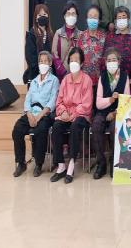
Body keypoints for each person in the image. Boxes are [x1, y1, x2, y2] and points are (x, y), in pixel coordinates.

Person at [50, 47, 93, 184]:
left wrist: (72, 114)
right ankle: (61, 165)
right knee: (56, 127)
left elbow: (86, 104)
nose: (73, 62)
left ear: (81, 63)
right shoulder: (65, 79)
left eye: (76, 60)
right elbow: (59, 101)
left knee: (75, 126)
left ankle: (72, 164)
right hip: (65, 114)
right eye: (71, 60)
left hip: (81, 115)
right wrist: (63, 112)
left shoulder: (87, 80)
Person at [12, 51, 58, 177]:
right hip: (31, 113)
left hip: (44, 114)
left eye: (45, 61)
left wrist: (38, 117)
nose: (43, 64)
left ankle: (38, 163)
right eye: (40, 61)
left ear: (50, 63)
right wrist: (29, 114)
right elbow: (27, 99)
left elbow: (52, 101)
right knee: (17, 130)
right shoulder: (34, 81)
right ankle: (21, 163)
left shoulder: (54, 80)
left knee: (40, 130)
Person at [92, 47, 130, 179]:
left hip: (118, 112)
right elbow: (98, 103)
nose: (111, 62)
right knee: (96, 126)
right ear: (105, 62)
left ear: (119, 61)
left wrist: (114, 113)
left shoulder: (124, 77)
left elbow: (126, 101)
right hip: (102, 112)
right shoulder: (102, 77)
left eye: (114, 60)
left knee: (115, 128)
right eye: (109, 60)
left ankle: (114, 161)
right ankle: (101, 163)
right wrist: (111, 99)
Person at [77, 5, 107, 95]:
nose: (92, 19)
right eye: (90, 17)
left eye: (95, 17)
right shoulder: (80, 37)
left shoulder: (104, 38)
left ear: (99, 20)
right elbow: (77, 59)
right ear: (86, 19)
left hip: (100, 83)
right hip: (83, 82)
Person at [104, 6, 131, 80]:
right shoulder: (110, 37)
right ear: (115, 20)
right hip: (112, 78)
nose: (121, 20)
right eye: (119, 18)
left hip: (130, 79)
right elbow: (105, 57)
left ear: (128, 19)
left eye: (124, 17)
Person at [23, 3, 53, 86]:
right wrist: (42, 68)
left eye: (44, 14)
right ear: (36, 18)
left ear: (48, 17)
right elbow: (30, 58)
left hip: (49, 74)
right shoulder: (31, 34)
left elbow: (52, 54)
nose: (42, 17)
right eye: (39, 15)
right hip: (35, 74)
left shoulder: (51, 34)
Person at [51, 0, 80, 80]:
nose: (71, 16)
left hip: (76, 74)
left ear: (77, 16)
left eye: (73, 14)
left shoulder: (81, 35)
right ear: (64, 16)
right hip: (61, 75)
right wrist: (60, 69)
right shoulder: (58, 33)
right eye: (68, 13)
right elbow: (54, 53)